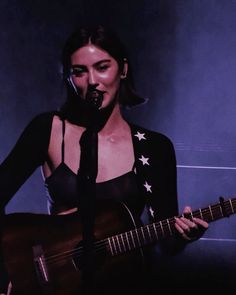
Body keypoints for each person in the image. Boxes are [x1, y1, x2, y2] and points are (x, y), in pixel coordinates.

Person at [0, 25, 208, 294]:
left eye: (102, 67)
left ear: (122, 69)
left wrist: (183, 235)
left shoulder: (154, 147)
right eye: (79, 72)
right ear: (68, 78)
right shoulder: (49, 130)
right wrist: (8, 271)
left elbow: (166, 244)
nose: (92, 81)